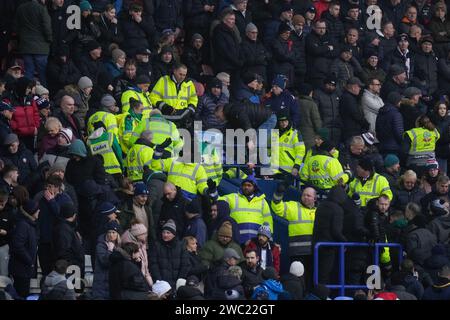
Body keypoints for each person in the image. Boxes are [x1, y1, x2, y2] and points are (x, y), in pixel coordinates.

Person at [220, 177, 273, 244]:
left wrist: (269, 238)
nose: (246, 187)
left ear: (254, 187)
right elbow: (218, 200)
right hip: (237, 240)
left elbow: (268, 221)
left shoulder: (262, 202)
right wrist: (212, 191)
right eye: (244, 185)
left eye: (249, 185)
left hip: (256, 242)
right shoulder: (233, 197)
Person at [313, 185, 348, 284]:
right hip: (329, 246)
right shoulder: (338, 210)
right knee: (326, 273)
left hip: (317, 243)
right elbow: (336, 231)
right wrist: (345, 241)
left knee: (317, 272)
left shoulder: (321, 206)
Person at [14, 0, 52, 86]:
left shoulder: (21, 8)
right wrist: (49, 39)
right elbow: (47, 27)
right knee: (42, 74)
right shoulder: (41, 8)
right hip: (41, 47)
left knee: (28, 71)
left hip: (25, 46)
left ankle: (25, 94)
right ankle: (44, 96)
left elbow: (15, 27)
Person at [9, 200, 39, 298]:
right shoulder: (23, 225)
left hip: (25, 269)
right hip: (21, 269)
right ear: (32, 211)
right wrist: (29, 260)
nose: (39, 211)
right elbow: (17, 245)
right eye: (37, 209)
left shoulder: (29, 224)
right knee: (21, 295)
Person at [149, 219, 190, 289]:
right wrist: (160, 281)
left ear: (173, 234)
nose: (165, 235)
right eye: (164, 232)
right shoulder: (156, 246)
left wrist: (179, 280)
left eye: (168, 233)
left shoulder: (181, 246)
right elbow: (153, 264)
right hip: (161, 283)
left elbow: (185, 265)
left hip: (176, 283)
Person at [52, 202, 85, 276]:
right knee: (72, 287)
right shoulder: (64, 229)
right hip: (71, 269)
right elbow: (64, 251)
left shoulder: (66, 228)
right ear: (74, 215)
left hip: (72, 268)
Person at [91, 220, 121, 300]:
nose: (111, 235)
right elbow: (105, 262)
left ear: (117, 234)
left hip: (112, 283)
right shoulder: (101, 245)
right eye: (109, 232)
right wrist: (110, 250)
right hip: (102, 284)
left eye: (113, 232)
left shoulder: (119, 246)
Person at [271, 112, 305, 177]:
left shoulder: (295, 133)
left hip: (289, 171)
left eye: (286, 121)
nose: (284, 123)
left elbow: (300, 151)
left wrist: (296, 166)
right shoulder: (274, 133)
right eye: (281, 121)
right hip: (274, 171)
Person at [121, 220, 153, 287]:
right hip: (135, 282)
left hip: (143, 279)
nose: (146, 235)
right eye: (144, 234)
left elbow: (145, 267)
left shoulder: (141, 243)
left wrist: (149, 282)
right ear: (137, 235)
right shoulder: (129, 246)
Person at [375, 92, 405, 157]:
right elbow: (399, 132)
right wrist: (403, 142)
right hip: (393, 147)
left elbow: (377, 129)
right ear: (396, 101)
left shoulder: (380, 112)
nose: (401, 102)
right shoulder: (396, 114)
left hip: (382, 145)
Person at [0, 189, 13, 276]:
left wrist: (6, 233)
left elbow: (13, 231)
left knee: (3, 273)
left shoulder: (9, 213)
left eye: (2, 203)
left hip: (4, 245)